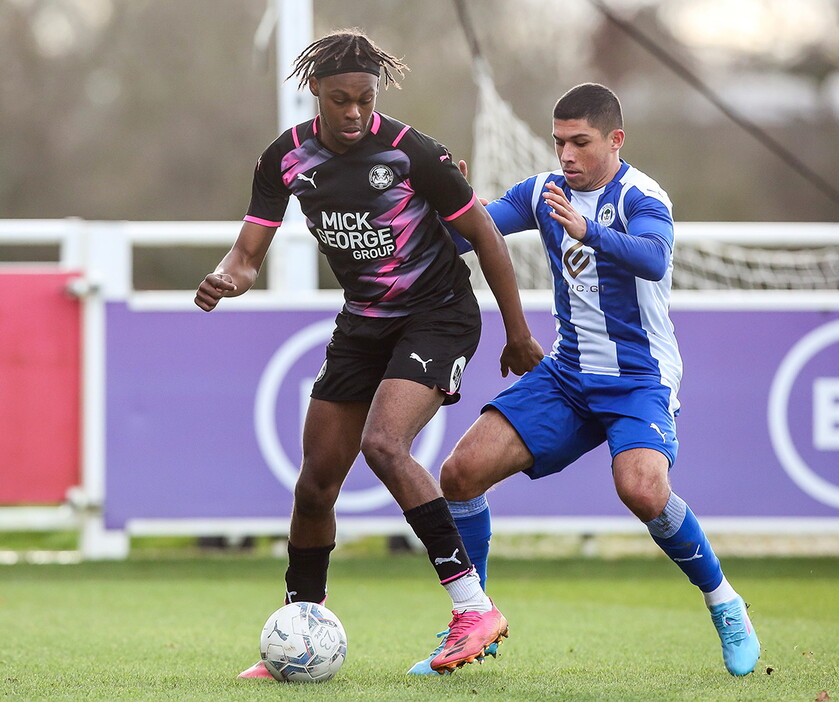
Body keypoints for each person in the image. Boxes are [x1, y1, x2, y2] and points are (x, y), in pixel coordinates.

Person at [194, 29, 543, 678]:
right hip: (364, 324)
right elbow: (246, 259)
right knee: (316, 483)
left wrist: (517, 332)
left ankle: (473, 608)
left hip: (438, 317)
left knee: (385, 445)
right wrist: (226, 279)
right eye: (340, 100)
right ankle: (299, 627)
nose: (354, 112)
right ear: (315, 95)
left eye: (365, 98)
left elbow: (486, 237)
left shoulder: (413, 153)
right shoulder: (285, 159)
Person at [409, 83, 761, 677]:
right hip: (568, 374)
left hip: (638, 378)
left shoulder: (642, 196)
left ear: (615, 140)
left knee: (642, 489)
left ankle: (724, 602)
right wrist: (448, 203)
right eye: (559, 143)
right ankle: (474, 621)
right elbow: (467, 236)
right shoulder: (544, 192)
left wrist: (588, 231)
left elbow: (653, 258)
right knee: (460, 474)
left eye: (580, 142)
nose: (566, 155)